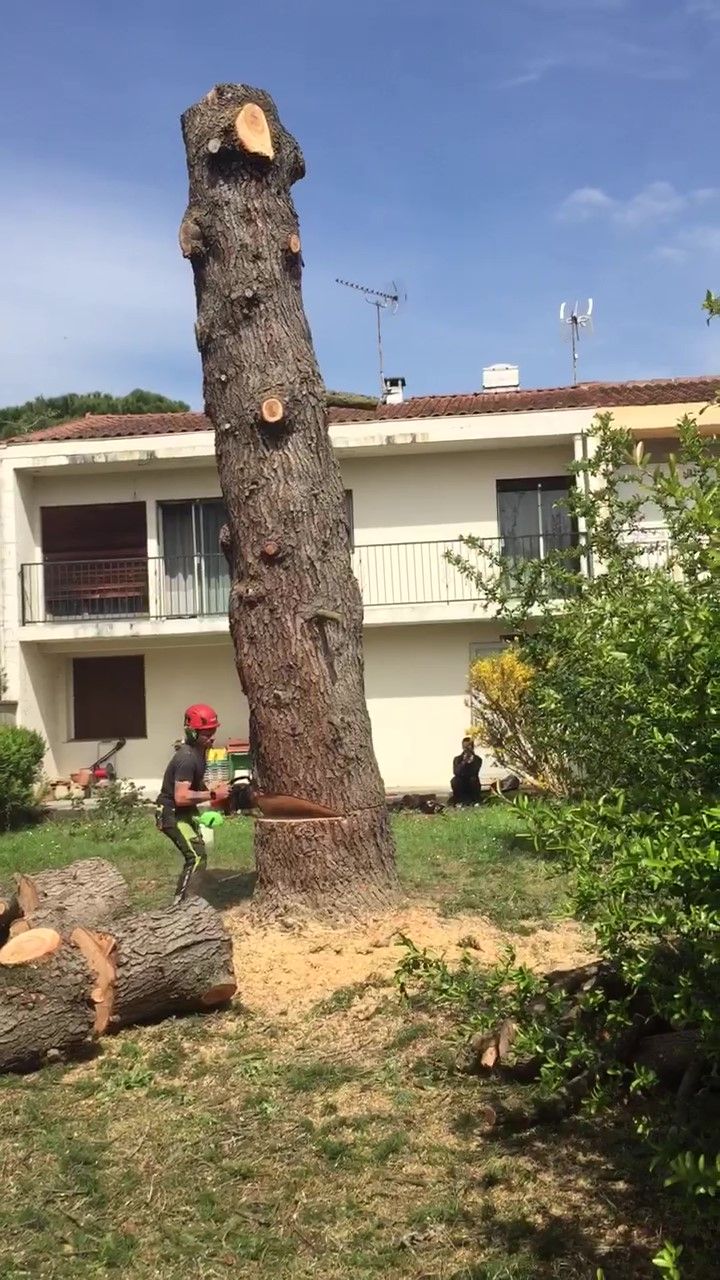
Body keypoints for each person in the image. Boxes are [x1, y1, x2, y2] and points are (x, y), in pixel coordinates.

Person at [155, 704, 230, 904]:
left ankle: (194, 898)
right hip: (171, 813)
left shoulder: (201, 752)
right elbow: (181, 796)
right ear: (193, 733)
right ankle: (180, 905)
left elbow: (196, 785)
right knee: (195, 857)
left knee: (200, 855)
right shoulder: (186, 758)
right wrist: (213, 794)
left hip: (185, 811)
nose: (212, 737)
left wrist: (216, 792)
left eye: (213, 731)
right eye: (207, 734)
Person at [450, 736, 482, 807]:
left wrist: (471, 762)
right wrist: (463, 763)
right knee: (454, 780)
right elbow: (456, 772)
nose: (467, 749)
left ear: (473, 747)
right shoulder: (457, 759)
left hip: (472, 782)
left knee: (473, 779)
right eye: (465, 747)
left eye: (469, 746)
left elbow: (474, 772)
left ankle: (475, 801)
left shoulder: (478, 759)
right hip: (461, 783)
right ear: (462, 747)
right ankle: (459, 801)